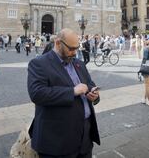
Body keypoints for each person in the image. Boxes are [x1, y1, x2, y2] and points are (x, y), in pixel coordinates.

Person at [27, 28, 100, 157]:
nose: (74, 53)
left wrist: (94, 95)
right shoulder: (39, 64)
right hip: (56, 141)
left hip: (84, 139)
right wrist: (72, 91)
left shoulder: (79, 64)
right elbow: (37, 93)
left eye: (76, 48)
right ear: (58, 43)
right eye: (71, 49)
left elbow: (89, 85)